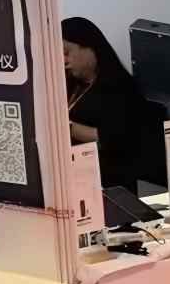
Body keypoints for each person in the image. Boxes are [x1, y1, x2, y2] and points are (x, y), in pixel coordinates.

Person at [64, 16, 151, 189]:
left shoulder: (120, 88)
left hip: (108, 182)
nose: (63, 60)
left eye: (66, 52)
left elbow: (113, 139)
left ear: (90, 48)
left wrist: (67, 127)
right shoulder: (72, 83)